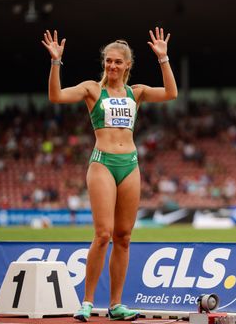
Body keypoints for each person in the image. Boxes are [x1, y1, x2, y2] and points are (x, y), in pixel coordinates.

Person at [42, 27, 178, 321]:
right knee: (103, 234)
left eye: (118, 62)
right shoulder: (92, 89)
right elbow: (56, 97)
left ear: (128, 65)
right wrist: (56, 63)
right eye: (108, 61)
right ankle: (87, 302)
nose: (112, 66)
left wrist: (164, 59)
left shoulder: (136, 92)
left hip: (130, 164)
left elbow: (171, 93)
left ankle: (116, 305)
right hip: (102, 163)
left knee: (124, 237)